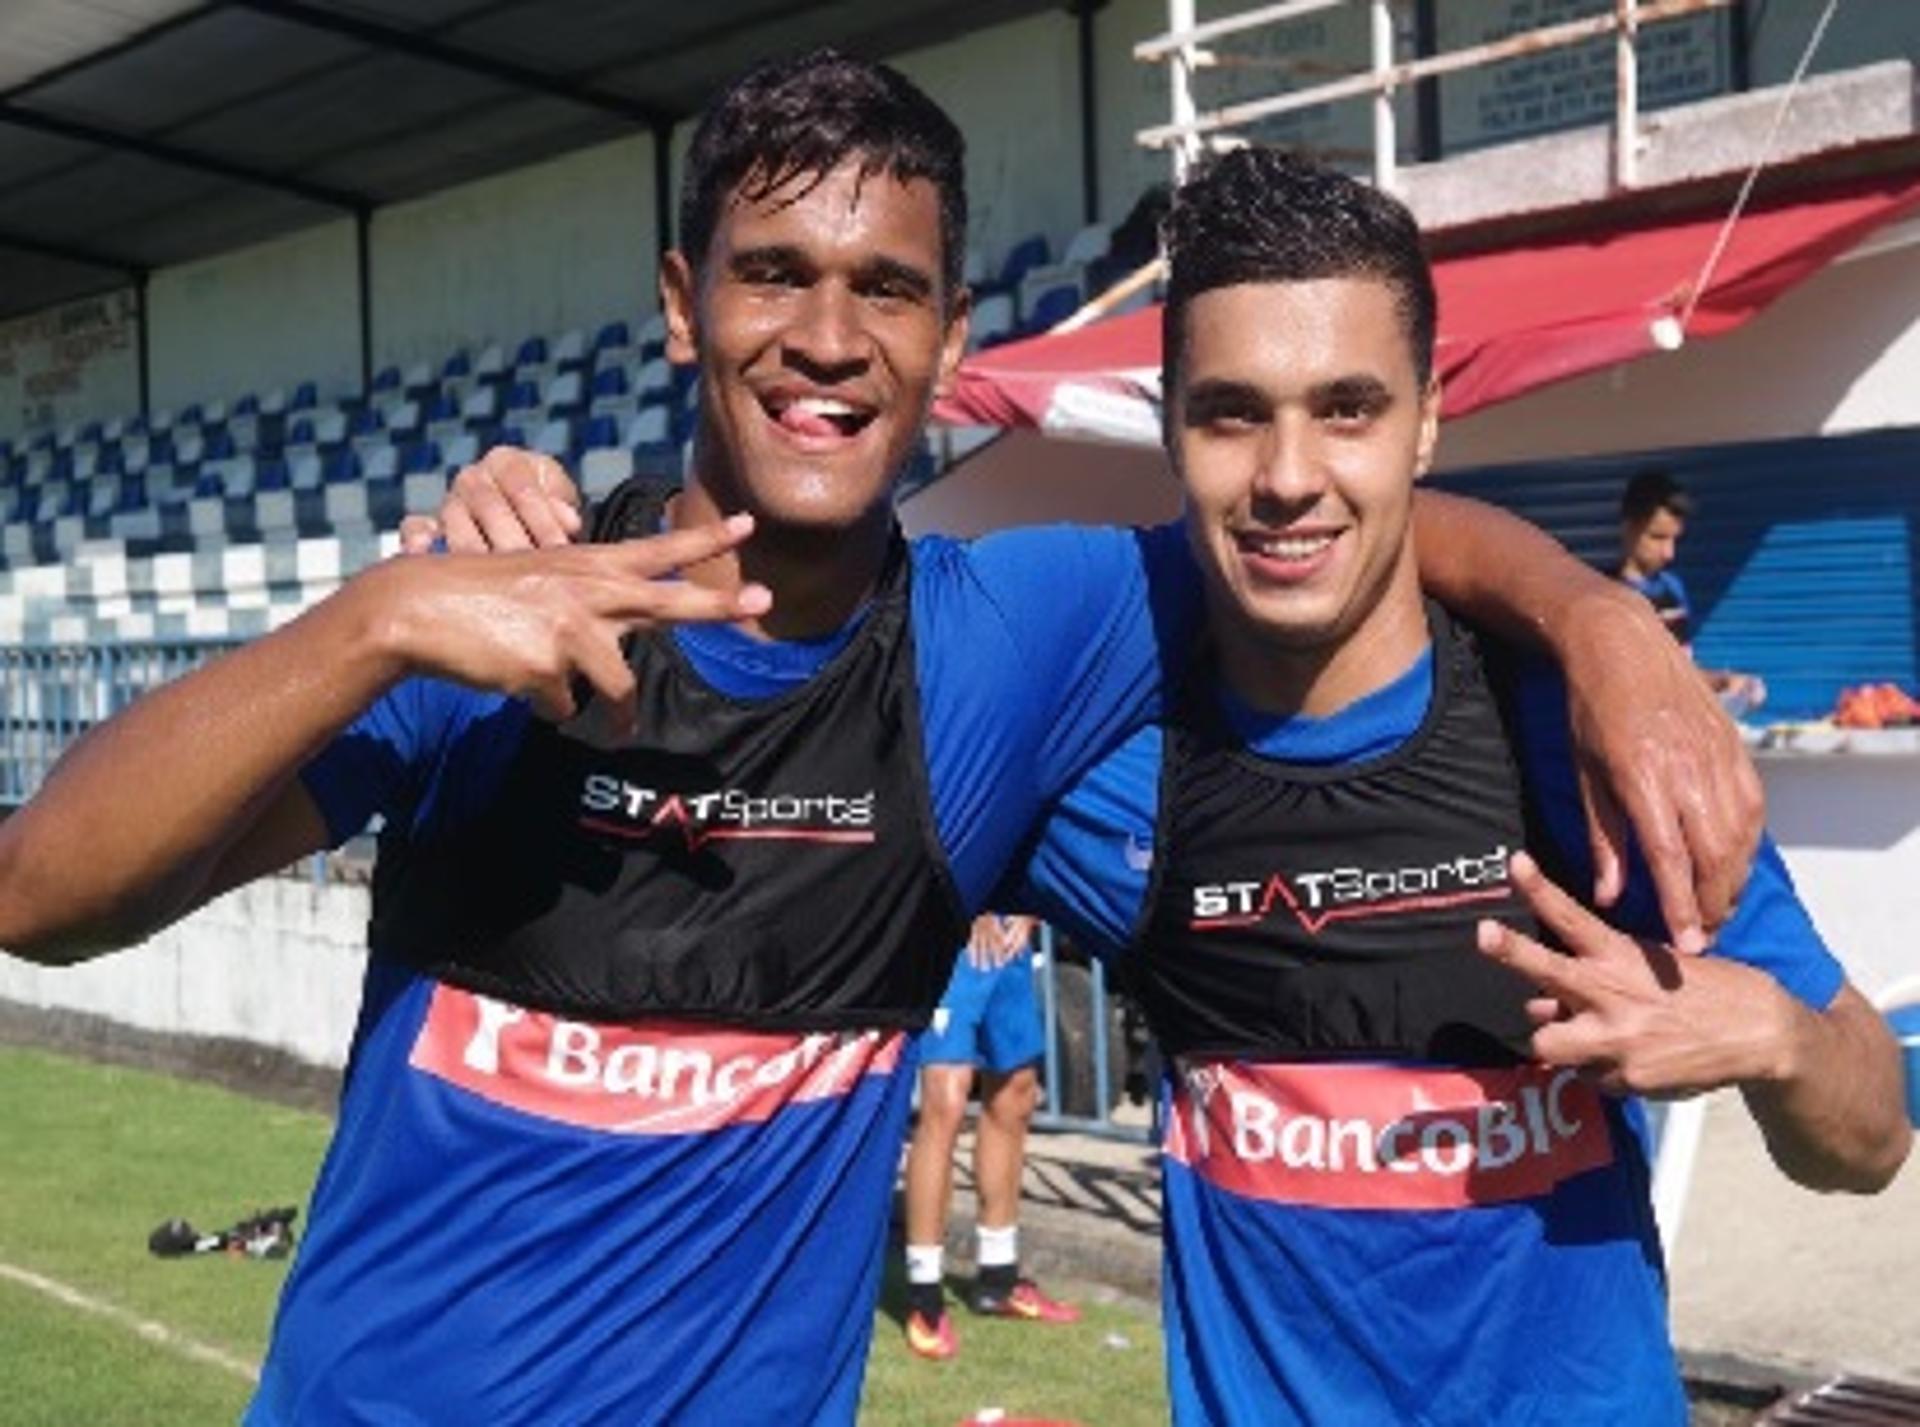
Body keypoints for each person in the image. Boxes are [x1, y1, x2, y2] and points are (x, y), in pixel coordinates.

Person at [0, 49, 1760, 1426]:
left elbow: (1308, 509)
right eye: (774, 275)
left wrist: (1602, 623)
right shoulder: (498, 603)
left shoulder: (1009, 642)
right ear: (686, 302)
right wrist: (370, 617)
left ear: (949, 336)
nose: (826, 340)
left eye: (886, 289)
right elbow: (43, 894)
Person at [999, 149, 1911, 1425]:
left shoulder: (1582, 744)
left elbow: (1868, 1142)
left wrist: (1769, 1032)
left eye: (1348, 407)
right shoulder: (1112, 770)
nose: (1288, 473)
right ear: (1170, 427)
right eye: (1233, 411)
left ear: (1427, 418)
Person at [902, 911, 1076, 1359]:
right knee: (946, 1099)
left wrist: (1032, 912)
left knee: (1016, 1093)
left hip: (1009, 942)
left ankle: (998, 1280)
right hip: (947, 934)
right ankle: (924, 1295)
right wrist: (967, 904)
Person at [1617, 468, 1767, 716]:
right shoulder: (1608, 599)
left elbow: (1681, 670)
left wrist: (1723, 682)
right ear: (1628, 527)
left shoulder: (1673, 588)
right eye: (1658, 537)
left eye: (1675, 540)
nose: (1669, 553)